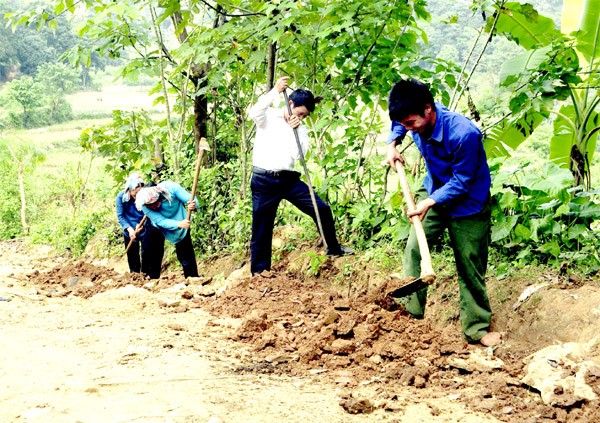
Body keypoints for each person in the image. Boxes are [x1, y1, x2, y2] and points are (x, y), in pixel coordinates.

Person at [385, 78, 501, 347]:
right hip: (435, 192)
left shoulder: (464, 134)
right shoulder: (410, 116)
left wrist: (429, 203)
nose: (408, 128)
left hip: (469, 203)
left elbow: (462, 181)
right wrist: (393, 144)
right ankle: (409, 318)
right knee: (414, 249)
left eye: (411, 123)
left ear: (428, 109)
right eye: (404, 124)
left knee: (469, 265)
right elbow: (397, 123)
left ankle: (477, 329)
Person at [248, 76, 353, 276]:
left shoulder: (300, 127)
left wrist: (297, 129)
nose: (302, 117)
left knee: (321, 207)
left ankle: (333, 248)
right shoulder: (268, 117)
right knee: (261, 227)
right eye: (300, 113)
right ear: (290, 104)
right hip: (263, 181)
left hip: (288, 180)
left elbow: (300, 155)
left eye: (305, 116)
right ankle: (260, 273)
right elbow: (254, 112)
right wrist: (275, 91)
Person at [135, 181, 200, 278]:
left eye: (155, 204)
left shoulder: (171, 188)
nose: (153, 207)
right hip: (159, 225)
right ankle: (152, 279)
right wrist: (178, 224)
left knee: (185, 251)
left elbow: (191, 199)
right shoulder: (143, 205)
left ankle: (192, 278)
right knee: (153, 252)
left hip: (179, 217)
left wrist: (193, 205)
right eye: (150, 206)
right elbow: (161, 221)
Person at [115, 173, 165, 279]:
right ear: (129, 190)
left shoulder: (146, 196)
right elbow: (121, 215)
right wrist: (129, 229)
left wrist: (143, 224)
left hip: (143, 226)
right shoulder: (121, 197)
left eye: (139, 192)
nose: (136, 195)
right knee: (132, 255)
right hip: (129, 228)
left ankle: (146, 275)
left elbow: (148, 211)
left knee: (147, 251)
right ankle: (135, 276)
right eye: (134, 193)